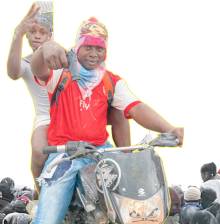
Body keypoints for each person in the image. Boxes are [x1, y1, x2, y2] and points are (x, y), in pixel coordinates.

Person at [30, 17, 184, 223]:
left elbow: (137, 108)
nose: (94, 54)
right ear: (77, 47)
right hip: (65, 154)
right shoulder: (61, 73)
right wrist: (44, 49)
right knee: (48, 219)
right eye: (88, 47)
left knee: (132, 206)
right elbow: (38, 69)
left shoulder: (111, 81)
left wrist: (169, 128)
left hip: (101, 153)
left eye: (99, 49)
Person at [6, 3, 130, 198]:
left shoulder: (60, 54)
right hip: (47, 116)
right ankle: (42, 191)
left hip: (79, 109)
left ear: (51, 36)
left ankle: (125, 162)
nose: (37, 35)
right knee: (39, 151)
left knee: (120, 110)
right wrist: (17, 34)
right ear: (27, 36)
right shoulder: (27, 62)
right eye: (32, 32)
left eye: (43, 32)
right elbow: (12, 72)